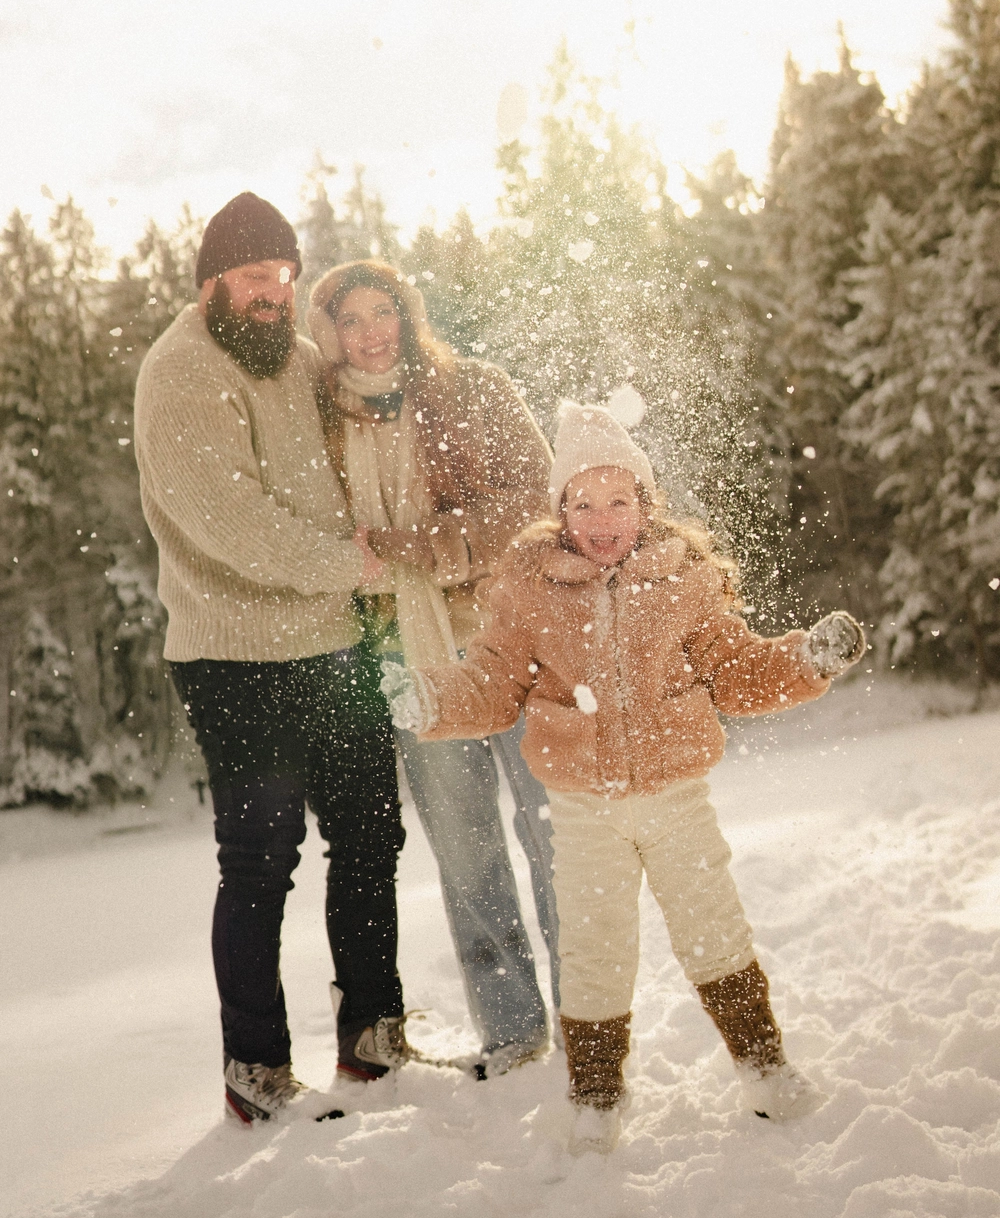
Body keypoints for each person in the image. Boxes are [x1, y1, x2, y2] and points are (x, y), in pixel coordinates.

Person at [383, 401, 865, 1153]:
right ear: (558, 510)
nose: (601, 520)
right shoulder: (530, 590)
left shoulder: (685, 581)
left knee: (713, 927)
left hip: (676, 795)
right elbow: (493, 683)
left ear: (646, 503)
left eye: (618, 501)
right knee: (595, 944)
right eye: (582, 503)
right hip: (581, 806)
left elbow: (738, 673)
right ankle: (595, 1097)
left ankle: (765, 1068)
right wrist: (430, 698)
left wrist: (806, 662)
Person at [134, 193, 407, 1124]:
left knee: (371, 838)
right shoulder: (179, 373)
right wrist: (350, 565)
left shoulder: (294, 361)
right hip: (236, 658)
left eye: (286, 279)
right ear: (212, 282)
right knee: (260, 861)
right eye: (255, 278)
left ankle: (373, 1037)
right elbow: (231, 525)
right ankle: (256, 1069)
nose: (274, 295)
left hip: (336, 643)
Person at [306, 260, 559, 1076]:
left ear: (408, 316)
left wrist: (424, 550)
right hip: (409, 665)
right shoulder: (325, 426)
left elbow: (533, 503)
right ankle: (514, 1032)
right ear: (331, 333)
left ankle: (591, 1010)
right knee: (467, 854)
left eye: (385, 312)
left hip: (511, 645)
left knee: (556, 835)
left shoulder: (475, 389)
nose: (373, 332)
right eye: (353, 320)